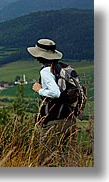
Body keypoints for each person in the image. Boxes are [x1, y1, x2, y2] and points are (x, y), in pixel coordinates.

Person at [27, 38, 79, 167]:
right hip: (69, 119)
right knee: (69, 161)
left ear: (39, 56)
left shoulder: (46, 71)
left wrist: (39, 90)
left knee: (47, 161)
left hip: (54, 121)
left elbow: (55, 93)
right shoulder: (64, 68)